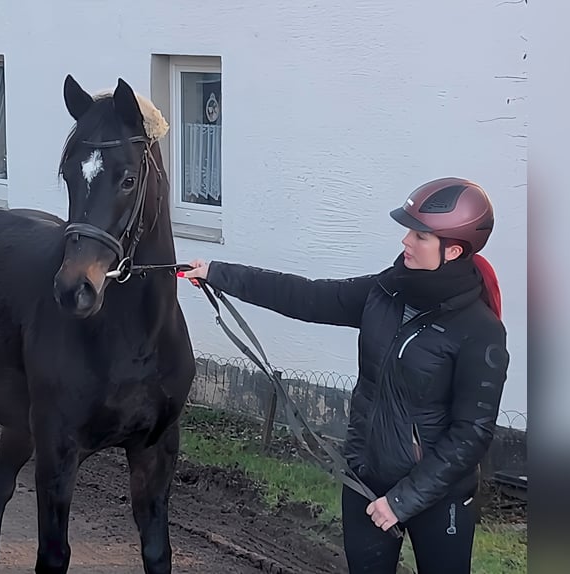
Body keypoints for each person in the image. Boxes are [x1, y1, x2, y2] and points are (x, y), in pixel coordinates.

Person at [179, 177, 510, 574]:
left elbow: (471, 435)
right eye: (408, 230)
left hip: (439, 498)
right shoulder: (384, 293)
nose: (405, 240)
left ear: (453, 250)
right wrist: (218, 272)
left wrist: (402, 501)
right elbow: (305, 296)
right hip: (365, 482)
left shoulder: (480, 330)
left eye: (420, 236)